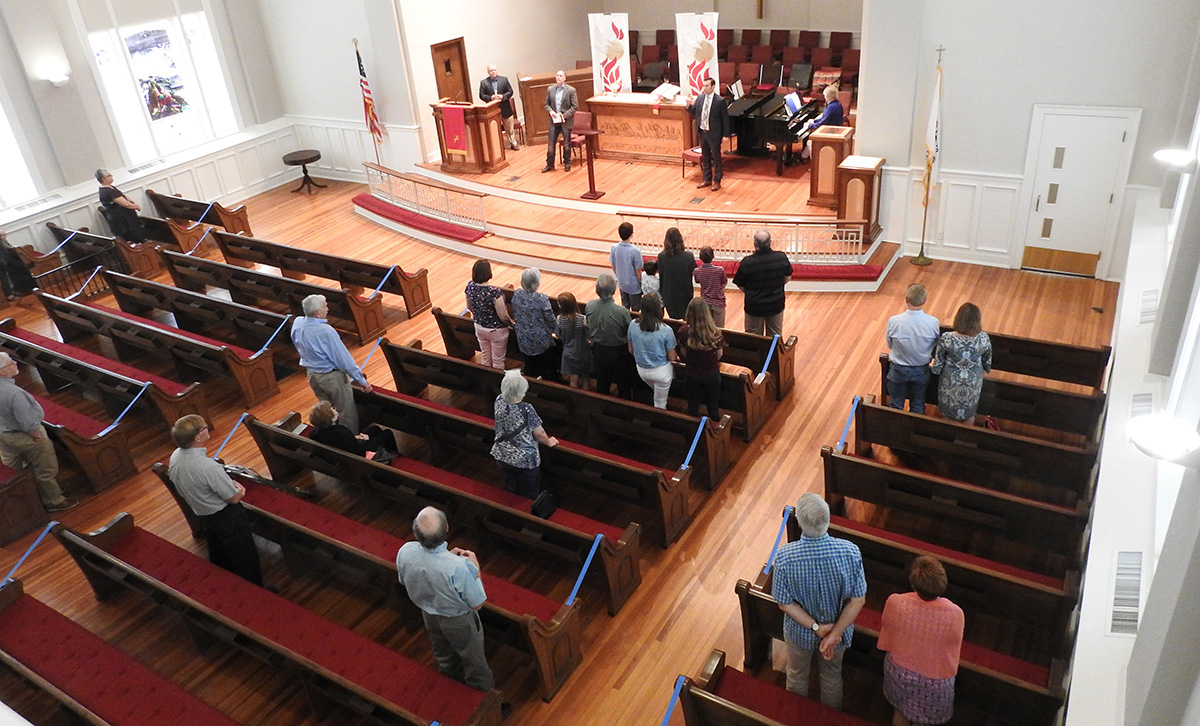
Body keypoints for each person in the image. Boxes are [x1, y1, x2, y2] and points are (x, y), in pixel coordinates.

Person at [771, 492, 867, 710]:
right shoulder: (850, 552)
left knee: (796, 676)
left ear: (799, 523)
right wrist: (834, 634)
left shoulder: (785, 557)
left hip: (800, 633)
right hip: (837, 631)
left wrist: (816, 627)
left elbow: (784, 603)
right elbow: (858, 600)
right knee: (832, 676)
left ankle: (798, 717)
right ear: (828, 519)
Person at [395, 507, 498, 696]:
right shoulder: (459, 567)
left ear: (416, 533)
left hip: (428, 614)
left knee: (442, 653)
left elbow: (404, 580)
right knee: (473, 660)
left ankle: (449, 688)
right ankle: (483, 699)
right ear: (447, 528)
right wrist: (475, 569)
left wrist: (446, 559)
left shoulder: (405, 551)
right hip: (458, 621)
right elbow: (477, 603)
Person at [168, 414, 263, 585]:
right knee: (244, 555)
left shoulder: (176, 456)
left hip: (203, 514)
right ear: (197, 437)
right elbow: (233, 498)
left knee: (219, 552)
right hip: (226, 517)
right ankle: (255, 588)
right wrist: (239, 489)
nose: (208, 428)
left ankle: (225, 583)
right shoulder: (208, 467)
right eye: (204, 427)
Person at [877, 556, 964, 726]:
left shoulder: (896, 601)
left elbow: (887, 636)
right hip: (934, 680)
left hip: (899, 670)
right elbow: (952, 648)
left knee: (900, 711)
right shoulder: (955, 613)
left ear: (913, 583)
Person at [0, 353, 76, 513]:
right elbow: (28, 421)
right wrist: (37, 435)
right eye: (10, 363)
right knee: (46, 468)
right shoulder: (15, 394)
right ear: (2, 372)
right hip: (25, 436)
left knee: (16, 467)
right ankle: (54, 500)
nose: (15, 363)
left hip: (3, 435)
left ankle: (31, 496)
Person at [291, 294, 371, 434]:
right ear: (317, 314)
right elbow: (343, 360)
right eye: (325, 306)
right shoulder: (326, 331)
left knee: (327, 413)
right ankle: (351, 441)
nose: (327, 309)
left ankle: (331, 439)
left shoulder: (298, 323)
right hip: (330, 377)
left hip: (312, 375)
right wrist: (362, 381)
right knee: (346, 412)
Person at [490, 368, 559, 498]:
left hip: (503, 454)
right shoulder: (526, 409)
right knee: (529, 492)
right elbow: (540, 434)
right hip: (525, 460)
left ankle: (512, 505)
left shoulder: (499, 400)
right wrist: (549, 442)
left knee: (511, 486)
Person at [931, 302, 992, 426]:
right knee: (969, 415)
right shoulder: (983, 338)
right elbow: (987, 362)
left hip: (950, 383)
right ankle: (966, 436)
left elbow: (938, 363)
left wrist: (935, 371)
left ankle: (947, 434)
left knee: (947, 415)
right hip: (972, 384)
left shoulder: (947, 338)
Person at [885, 283, 941, 414]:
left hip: (898, 369)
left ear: (906, 299)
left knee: (895, 405)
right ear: (924, 300)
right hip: (921, 370)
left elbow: (890, 344)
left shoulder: (894, 321)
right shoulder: (933, 322)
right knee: (918, 404)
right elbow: (935, 345)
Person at [733, 230, 793, 338]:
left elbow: (740, 284)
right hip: (775, 304)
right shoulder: (781, 258)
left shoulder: (747, 262)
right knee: (774, 337)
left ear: (754, 244)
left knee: (753, 338)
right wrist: (777, 286)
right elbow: (787, 277)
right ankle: (772, 350)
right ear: (770, 242)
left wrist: (751, 292)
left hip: (754, 306)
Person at [586, 273, 635, 399]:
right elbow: (629, 330)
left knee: (602, 383)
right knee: (623, 384)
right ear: (614, 290)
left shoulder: (590, 305)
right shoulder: (621, 311)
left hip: (599, 350)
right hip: (619, 352)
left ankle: (603, 406)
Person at [627, 294, 678, 409]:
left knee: (657, 393)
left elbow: (631, 350)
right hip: (661, 373)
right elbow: (672, 358)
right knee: (660, 404)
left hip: (642, 370)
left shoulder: (633, 325)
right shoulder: (666, 330)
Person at [677, 298, 724, 419]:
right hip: (711, 375)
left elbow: (683, 353)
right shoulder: (715, 332)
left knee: (692, 406)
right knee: (713, 407)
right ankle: (714, 428)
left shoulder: (683, 331)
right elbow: (719, 355)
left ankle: (693, 428)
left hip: (692, 375)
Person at [511, 267, 560, 382]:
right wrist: (557, 332)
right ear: (536, 282)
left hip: (523, 339)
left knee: (530, 365)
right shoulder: (541, 298)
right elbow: (550, 319)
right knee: (547, 366)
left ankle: (530, 380)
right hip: (540, 341)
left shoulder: (517, 294)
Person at [308, 400, 399, 460]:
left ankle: (387, 451)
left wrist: (355, 438)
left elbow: (341, 441)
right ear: (332, 418)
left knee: (375, 429)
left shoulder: (316, 433)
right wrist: (365, 440)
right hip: (360, 455)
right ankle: (395, 457)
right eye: (332, 409)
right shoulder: (341, 431)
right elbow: (359, 451)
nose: (334, 409)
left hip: (344, 451)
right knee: (387, 433)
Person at [465, 259, 513, 371]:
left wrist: (480, 316)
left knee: (485, 358)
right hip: (496, 331)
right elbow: (503, 316)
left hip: (479, 327)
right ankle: (497, 380)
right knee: (498, 361)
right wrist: (511, 323)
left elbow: (469, 306)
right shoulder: (494, 293)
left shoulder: (470, 287)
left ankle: (486, 379)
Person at [686, 76, 731, 191]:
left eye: (707, 86)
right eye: (703, 85)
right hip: (702, 132)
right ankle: (707, 179)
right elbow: (695, 112)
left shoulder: (719, 101)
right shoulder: (700, 98)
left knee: (716, 158)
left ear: (713, 86)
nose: (704, 88)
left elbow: (725, 119)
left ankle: (717, 180)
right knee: (705, 157)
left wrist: (726, 135)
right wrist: (689, 105)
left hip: (714, 133)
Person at [95, 169, 146, 243]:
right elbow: (125, 204)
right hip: (123, 222)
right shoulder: (108, 191)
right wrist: (136, 207)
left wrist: (133, 202)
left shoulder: (110, 188)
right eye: (109, 176)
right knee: (134, 238)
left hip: (126, 218)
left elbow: (123, 196)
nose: (111, 176)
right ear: (103, 179)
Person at [798, 85, 845, 163]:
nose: (824, 97)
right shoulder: (837, 104)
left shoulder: (831, 107)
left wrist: (810, 125)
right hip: (834, 128)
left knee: (810, 142)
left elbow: (822, 124)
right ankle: (802, 157)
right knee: (810, 133)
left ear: (829, 96)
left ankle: (815, 163)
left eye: (825, 96)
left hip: (831, 132)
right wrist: (814, 121)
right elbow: (824, 119)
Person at [657, 227, 697, 319]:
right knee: (686, 318)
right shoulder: (688, 256)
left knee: (673, 319)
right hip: (685, 292)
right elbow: (693, 271)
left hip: (669, 293)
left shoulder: (662, 256)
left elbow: (661, 274)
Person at [542, 70, 577, 173]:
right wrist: (551, 111)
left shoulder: (571, 90)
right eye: (557, 75)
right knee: (551, 144)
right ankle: (550, 164)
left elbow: (575, 107)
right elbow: (546, 104)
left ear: (565, 78)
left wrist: (564, 115)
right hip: (554, 120)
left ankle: (567, 163)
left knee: (566, 143)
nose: (558, 77)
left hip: (565, 121)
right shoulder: (550, 89)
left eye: (560, 76)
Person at [555, 292, 592, 390]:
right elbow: (589, 335)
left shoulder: (559, 319)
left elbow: (558, 336)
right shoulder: (583, 319)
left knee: (573, 377)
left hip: (568, 352)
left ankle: (574, 396)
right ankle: (586, 397)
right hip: (583, 352)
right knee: (585, 376)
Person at [479, 64, 518, 150]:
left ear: (497, 70)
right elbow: (481, 95)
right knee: (494, 129)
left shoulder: (504, 80)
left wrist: (503, 96)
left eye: (494, 70)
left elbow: (510, 92)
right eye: (491, 70)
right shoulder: (484, 83)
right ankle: (498, 147)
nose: (493, 72)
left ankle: (513, 143)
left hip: (505, 108)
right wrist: (491, 97)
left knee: (509, 128)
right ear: (488, 72)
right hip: (492, 109)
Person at [610, 222, 644, 311]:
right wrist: (641, 283)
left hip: (622, 283)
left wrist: (619, 276)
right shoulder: (635, 251)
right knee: (636, 309)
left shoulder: (614, 247)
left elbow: (613, 265)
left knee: (625, 307)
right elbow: (638, 271)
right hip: (634, 286)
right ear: (631, 234)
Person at [693, 246, 728, 328]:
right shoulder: (720, 270)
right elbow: (724, 282)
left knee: (707, 328)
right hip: (718, 302)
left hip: (705, 302)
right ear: (713, 256)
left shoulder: (697, 271)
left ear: (700, 257)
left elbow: (697, 281)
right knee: (719, 328)